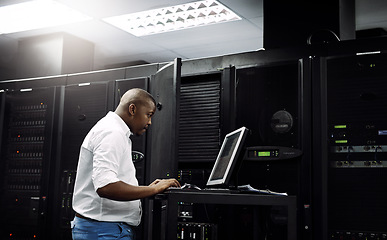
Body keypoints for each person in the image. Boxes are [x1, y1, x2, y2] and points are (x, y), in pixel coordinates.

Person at [71, 88, 180, 240]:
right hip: (104, 231)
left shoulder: (113, 130)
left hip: (103, 229)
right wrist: (154, 189)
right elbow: (105, 186)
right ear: (132, 109)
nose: (149, 122)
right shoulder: (112, 133)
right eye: (148, 115)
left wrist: (149, 189)